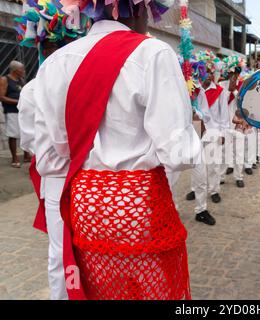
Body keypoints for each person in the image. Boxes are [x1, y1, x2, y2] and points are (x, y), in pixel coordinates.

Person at [32, 0, 201, 300]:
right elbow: (179, 155)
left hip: (86, 207)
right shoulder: (152, 52)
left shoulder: (55, 63)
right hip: (138, 206)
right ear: (138, 9)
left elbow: (47, 161)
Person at [15, 0, 91, 300]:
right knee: (76, 254)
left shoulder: (33, 89)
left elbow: (29, 143)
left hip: (60, 180)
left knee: (62, 256)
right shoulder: (86, 81)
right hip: (85, 177)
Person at [185, 54, 227, 226]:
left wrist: (222, 132)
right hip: (186, 134)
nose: (207, 75)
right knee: (191, 170)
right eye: (203, 71)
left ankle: (211, 194)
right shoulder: (185, 88)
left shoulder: (215, 91)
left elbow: (216, 115)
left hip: (209, 132)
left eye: (210, 71)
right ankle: (192, 194)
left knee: (212, 166)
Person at [220, 55, 248, 188]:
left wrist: (235, 91)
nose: (234, 76)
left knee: (239, 151)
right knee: (224, 151)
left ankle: (238, 176)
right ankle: (220, 176)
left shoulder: (242, 86)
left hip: (238, 124)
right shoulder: (220, 86)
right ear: (228, 72)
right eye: (232, 73)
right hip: (225, 124)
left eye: (236, 73)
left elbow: (245, 105)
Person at [0, 61, 30, 168]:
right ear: (15, 70)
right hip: (12, 111)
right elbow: (1, 97)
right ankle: (14, 158)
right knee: (13, 134)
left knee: (25, 133)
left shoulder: (21, 80)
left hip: (22, 111)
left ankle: (26, 155)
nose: (24, 71)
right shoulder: (5, 79)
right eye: (22, 69)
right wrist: (17, 102)